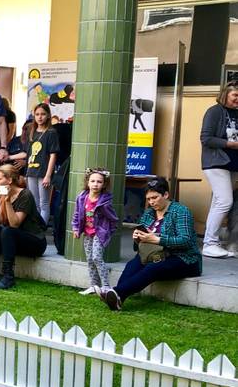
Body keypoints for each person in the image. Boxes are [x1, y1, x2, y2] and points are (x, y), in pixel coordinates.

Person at [100, 178, 201, 311]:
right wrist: (137, 239)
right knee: (132, 265)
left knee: (152, 268)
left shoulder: (181, 211)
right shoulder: (148, 214)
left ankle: (116, 293)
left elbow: (185, 240)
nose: (152, 202)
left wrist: (157, 239)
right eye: (148, 199)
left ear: (166, 195)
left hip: (183, 258)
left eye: (155, 197)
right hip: (152, 254)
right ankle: (118, 297)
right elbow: (139, 247)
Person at [0, 163, 47, 289]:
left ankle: (8, 277)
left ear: (9, 180)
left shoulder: (25, 195)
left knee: (8, 231)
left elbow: (15, 224)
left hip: (35, 241)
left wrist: (7, 201)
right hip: (14, 240)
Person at [199, 82, 238, 258]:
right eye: (235, 95)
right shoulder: (214, 111)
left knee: (218, 202)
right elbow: (206, 138)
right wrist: (231, 144)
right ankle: (210, 244)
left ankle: (211, 241)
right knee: (224, 201)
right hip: (216, 163)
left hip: (232, 165)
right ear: (226, 94)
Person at [72, 168, 119, 295]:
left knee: (97, 257)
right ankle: (94, 286)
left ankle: (106, 286)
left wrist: (108, 231)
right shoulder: (82, 197)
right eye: (92, 181)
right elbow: (76, 214)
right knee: (90, 259)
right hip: (87, 232)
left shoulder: (104, 202)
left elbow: (113, 219)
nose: (95, 184)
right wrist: (76, 228)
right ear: (87, 182)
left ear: (104, 184)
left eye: (99, 182)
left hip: (100, 233)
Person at [23, 103, 59, 225]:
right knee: (34, 202)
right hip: (31, 171)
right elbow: (27, 154)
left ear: (48, 115)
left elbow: (53, 155)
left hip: (44, 172)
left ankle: (41, 229)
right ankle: (35, 228)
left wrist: (48, 175)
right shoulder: (32, 132)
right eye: (37, 114)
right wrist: (9, 156)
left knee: (44, 203)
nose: (40, 117)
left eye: (43, 114)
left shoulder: (51, 132)